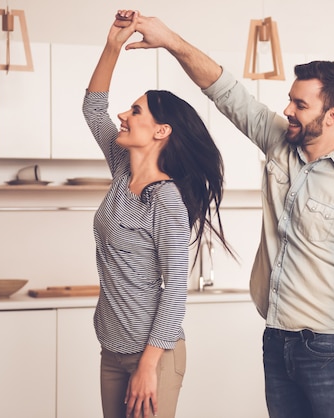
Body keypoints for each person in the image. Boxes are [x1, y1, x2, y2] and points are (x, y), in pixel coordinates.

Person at [121, 11, 334, 418]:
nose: (287, 109)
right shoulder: (280, 142)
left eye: (300, 104)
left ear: (332, 116)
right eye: (289, 98)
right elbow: (224, 89)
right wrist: (171, 40)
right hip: (276, 338)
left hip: (330, 347)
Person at [83, 10, 232, 418]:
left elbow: (174, 293)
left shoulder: (165, 200)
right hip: (111, 350)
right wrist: (113, 45)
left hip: (152, 357)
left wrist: (148, 366)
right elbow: (94, 109)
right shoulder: (121, 168)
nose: (122, 116)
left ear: (161, 131)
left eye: (135, 111)